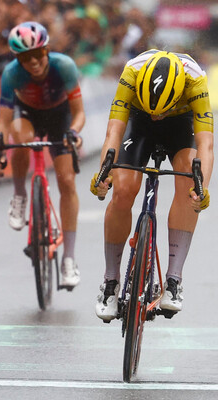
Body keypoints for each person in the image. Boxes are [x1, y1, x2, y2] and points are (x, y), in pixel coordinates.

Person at [90, 50, 213, 322]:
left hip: (180, 124)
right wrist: (103, 176)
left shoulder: (195, 80)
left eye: (162, 111)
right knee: (122, 191)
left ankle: (173, 280)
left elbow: (206, 144)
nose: (158, 116)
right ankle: (110, 282)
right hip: (138, 120)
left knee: (189, 183)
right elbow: (113, 132)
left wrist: (201, 188)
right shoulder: (131, 72)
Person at [0, 21, 86, 289]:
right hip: (27, 114)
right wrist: (0, 150)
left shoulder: (64, 66)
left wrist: (74, 132)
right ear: (17, 59)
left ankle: (69, 258)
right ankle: (20, 195)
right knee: (21, 139)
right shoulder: (10, 74)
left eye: (37, 55)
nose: (32, 63)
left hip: (60, 116)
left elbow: (79, 113)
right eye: (24, 58)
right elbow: (3, 121)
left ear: (47, 51)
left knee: (67, 181)